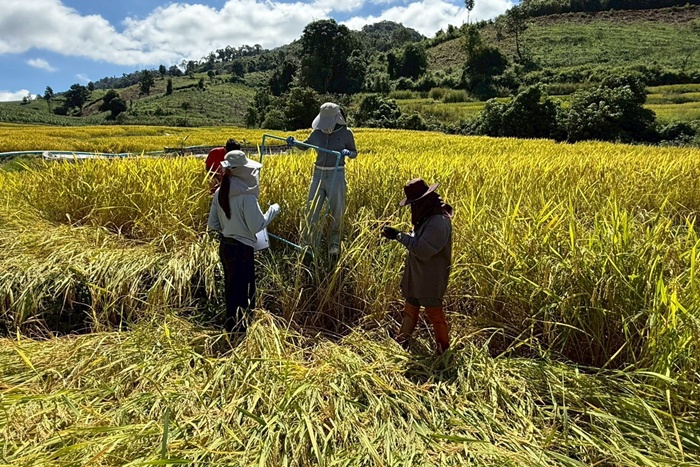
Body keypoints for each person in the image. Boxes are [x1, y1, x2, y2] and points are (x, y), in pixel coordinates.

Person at [208, 150, 280, 333]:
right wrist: (273, 210)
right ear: (242, 170)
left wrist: (230, 227)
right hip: (241, 250)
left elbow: (213, 224)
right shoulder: (247, 196)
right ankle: (240, 333)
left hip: (225, 247)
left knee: (231, 289)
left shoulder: (220, 192)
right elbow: (257, 225)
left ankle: (231, 328)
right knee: (243, 292)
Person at [381, 178, 454, 355]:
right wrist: (399, 235)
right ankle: (401, 343)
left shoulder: (438, 222)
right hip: (417, 276)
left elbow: (422, 249)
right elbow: (418, 241)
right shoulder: (427, 218)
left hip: (430, 278)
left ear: (425, 201)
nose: (413, 208)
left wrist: (399, 236)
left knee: (435, 315)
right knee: (410, 311)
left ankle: (443, 352)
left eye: (415, 203)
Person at [286, 102, 357, 256]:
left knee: (337, 210)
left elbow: (354, 152)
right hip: (318, 174)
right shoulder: (317, 133)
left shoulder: (346, 133)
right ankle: (307, 243)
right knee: (311, 209)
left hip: (336, 173)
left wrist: (348, 153)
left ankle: (334, 244)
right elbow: (305, 146)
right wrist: (294, 142)